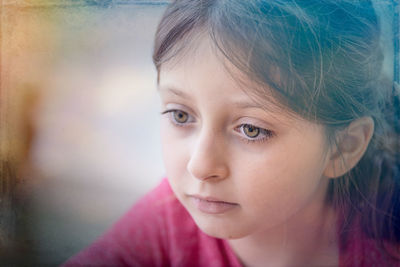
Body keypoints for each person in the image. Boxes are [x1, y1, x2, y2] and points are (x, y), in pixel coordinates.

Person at [63, 0, 400, 266]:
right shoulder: (166, 220)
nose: (200, 165)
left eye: (251, 130)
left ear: (343, 147)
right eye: (180, 115)